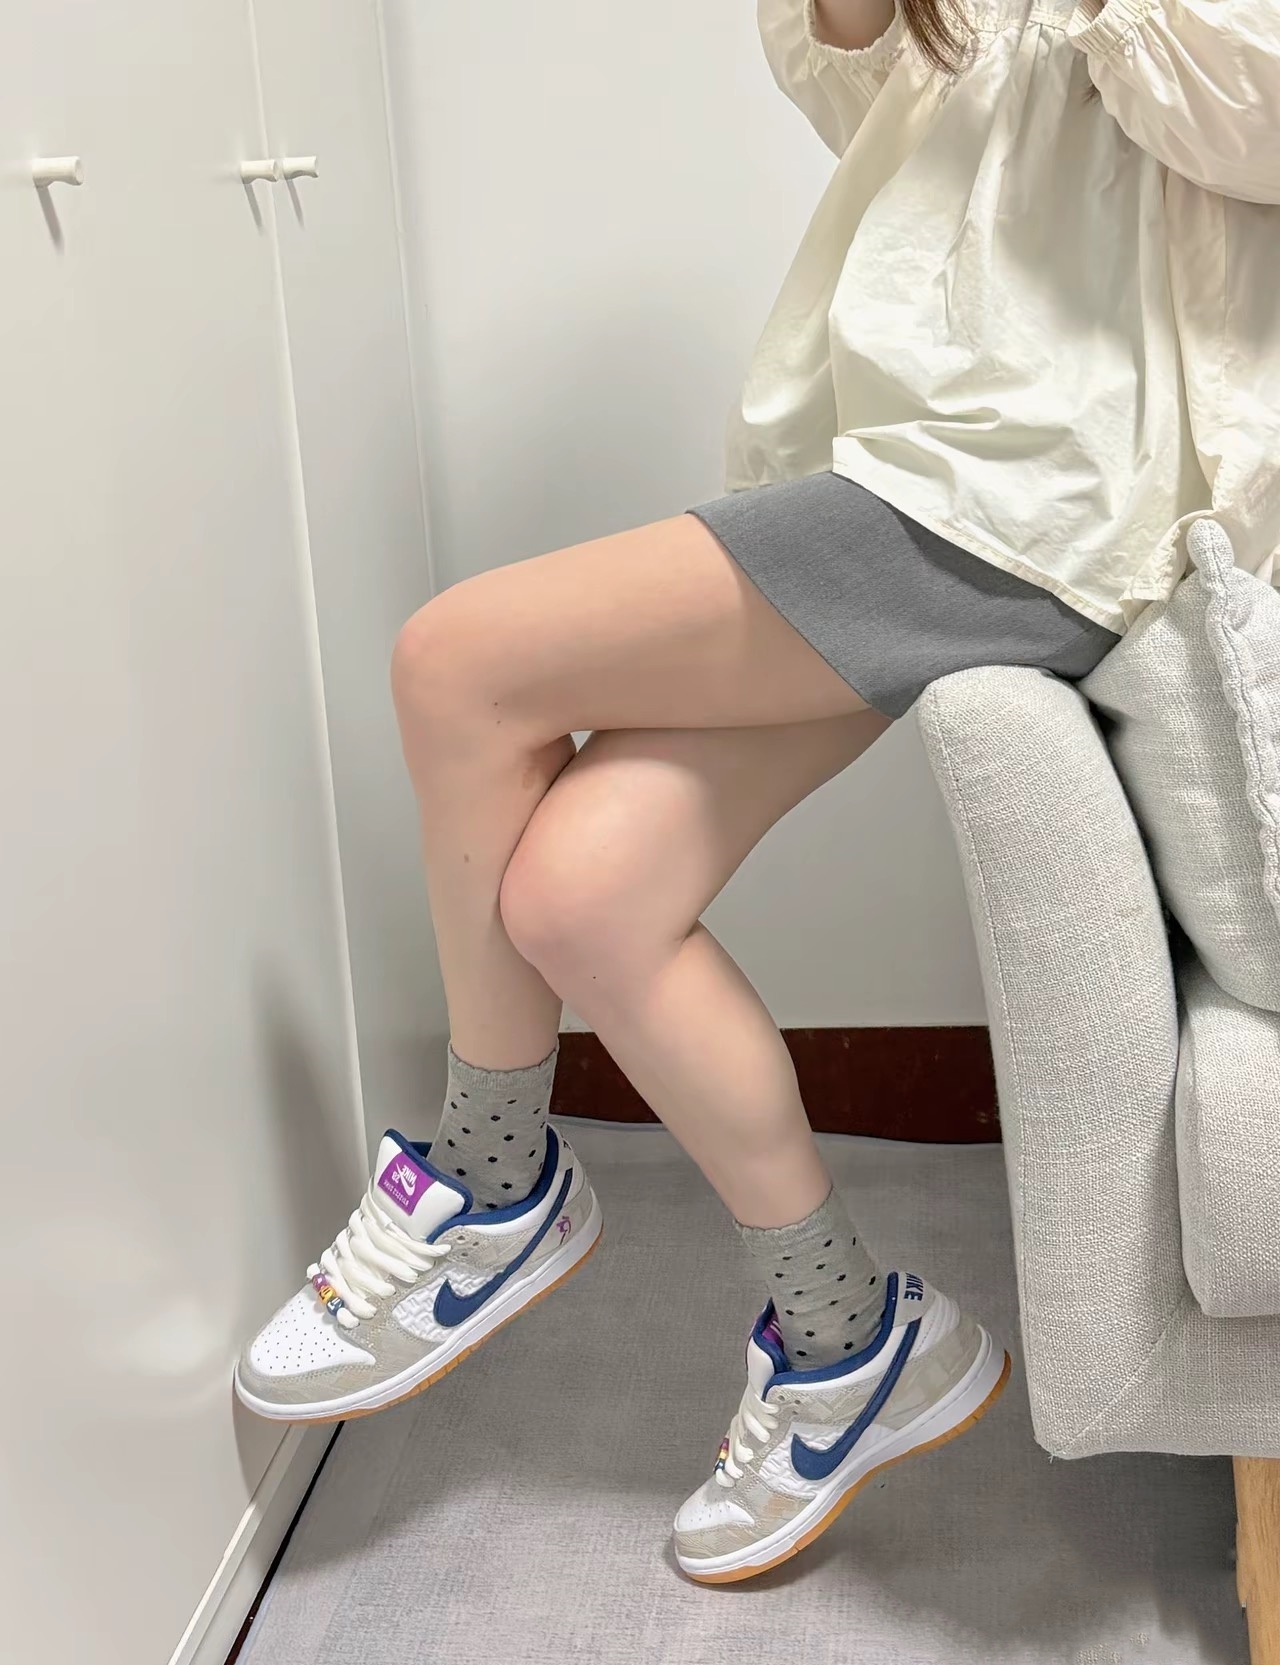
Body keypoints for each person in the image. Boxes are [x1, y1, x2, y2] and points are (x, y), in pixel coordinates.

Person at [235, 0, 1280, 1584]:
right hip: (906, 485)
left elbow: (1239, 109)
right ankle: (846, 1337)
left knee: (459, 665)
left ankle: (492, 1173)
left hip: (1038, 507)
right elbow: (871, 89)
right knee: (583, 896)